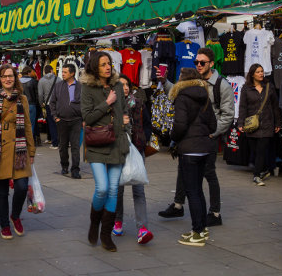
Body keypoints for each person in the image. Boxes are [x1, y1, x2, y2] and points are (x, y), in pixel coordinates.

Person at [158, 47, 234, 226]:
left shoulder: (221, 85)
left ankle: (215, 213)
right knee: (184, 169)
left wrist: (213, 132)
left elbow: (228, 114)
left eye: (202, 62)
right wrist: (165, 81)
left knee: (209, 173)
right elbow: (179, 93)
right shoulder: (194, 81)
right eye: (196, 62)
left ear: (212, 64)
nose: (198, 65)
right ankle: (178, 204)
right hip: (191, 136)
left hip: (208, 137)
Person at [0, 65, 36, 240]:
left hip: (19, 150)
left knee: (20, 187)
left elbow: (27, 125)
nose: (8, 79)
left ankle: (15, 216)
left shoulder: (22, 98)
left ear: (15, 78)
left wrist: (31, 150)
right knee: (2, 191)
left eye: (10, 76)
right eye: (4, 77)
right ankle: (5, 225)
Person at [80, 51, 129, 252]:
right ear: (94, 67)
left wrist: (125, 120)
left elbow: (125, 109)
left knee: (113, 190)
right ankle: (94, 222)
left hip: (117, 142)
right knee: (102, 187)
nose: (108, 67)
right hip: (97, 143)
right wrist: (107, 103)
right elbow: (87, 117)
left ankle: (106, 235)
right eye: (103, 64)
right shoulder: (87, 88)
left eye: (109, 63)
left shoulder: (118, 85)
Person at [169, 68, 217, 246]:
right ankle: (201, 229)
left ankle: (197, 233)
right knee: (198, 190)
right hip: (204, 148)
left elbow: (180, 125)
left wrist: (173, 137)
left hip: (189, 149)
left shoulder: (182, 97)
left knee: (192, 192)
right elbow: (213, 125)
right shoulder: (205, 96)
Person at [113, 74, 153, 244]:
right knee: (118, 189)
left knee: (138, 189)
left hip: (137, 149)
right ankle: (118, 221)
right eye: (121, 85)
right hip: (118, 151)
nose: (126, 87)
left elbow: (147, 124)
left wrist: (142, 141)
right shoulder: (111, 105)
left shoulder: (138, 103)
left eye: (127, 84)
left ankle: (142, 228)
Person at [238, 63, 281, 186]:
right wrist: (240, 123)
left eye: (262, 71)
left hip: (267, 124)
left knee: (261, 151)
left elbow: (275, 106)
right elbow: (243, 107)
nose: (261, 73)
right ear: (252, 74)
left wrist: (277, 122)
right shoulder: (246, 88)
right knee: (255, 151)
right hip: (252, 125)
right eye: (258, 72)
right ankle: (264, 170)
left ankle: (256, 176)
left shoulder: (269, 86)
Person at [49, 63, 82, 179]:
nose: (62, 74)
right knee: (62, 146)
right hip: (62, 120)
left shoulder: (80, 87)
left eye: (65, 72)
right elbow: (52, 102)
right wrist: (55, 116)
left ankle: (75, 169)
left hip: (76, 121)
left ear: (72, 73)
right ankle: (64, 166)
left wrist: (83, 118)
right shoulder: (58, 86)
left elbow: (84, 103)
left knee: (75, 146)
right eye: (62, 72)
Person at [38, 65, 60, 149]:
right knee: (60, 122)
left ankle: (55, 143)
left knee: (51, 123)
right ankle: (63, 141)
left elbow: (40, 94)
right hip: (58, 103)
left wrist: (41, 103)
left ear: (44, 71)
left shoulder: (41, 81)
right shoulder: (58, 79)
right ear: (51, 70)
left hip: (48, 104)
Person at [19, 66, 40, 146]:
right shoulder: (33, 82)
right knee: (31, 124)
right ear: (28, 72)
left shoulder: (18, 82)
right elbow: (37, 95)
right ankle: (30, 142)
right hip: (31, 105)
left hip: (20, 105)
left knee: (21, 123)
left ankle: (22, 141)